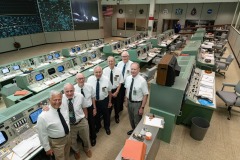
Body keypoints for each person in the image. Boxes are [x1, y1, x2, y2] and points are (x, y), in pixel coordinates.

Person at [37, 90, 71, 160]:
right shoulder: (43, 116)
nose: (57, 102)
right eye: (55, 100)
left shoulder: (63, 106)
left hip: (68, 137)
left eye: (59, 99)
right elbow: (42, 134)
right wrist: (47, 148)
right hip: (57, 142)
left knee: (67, 154)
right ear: (49, 100)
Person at [62, 83, 92, 159]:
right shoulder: (60, 99)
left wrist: (85, 118)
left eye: (71, 91)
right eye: (67, 91)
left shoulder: (80, 96)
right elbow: (53, 105)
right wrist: (45, 108)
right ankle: (76, 151)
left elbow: (84, 107)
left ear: (74, 90)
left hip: (81, 122)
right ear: (64, 91)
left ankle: (87, 149)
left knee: (86, 138)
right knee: (72, 141)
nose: (69, 93)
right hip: (70, 125)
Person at [87, 66, 112, 135]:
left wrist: (110, 101)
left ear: (102, 72)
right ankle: (98, 127)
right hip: (94, 101)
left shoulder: (106, 79)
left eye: (99, 72)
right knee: (96, 115)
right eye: (96, 72)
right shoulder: (89, 79)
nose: (98, 74)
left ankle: (107, 127)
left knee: (106, 115)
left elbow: (109, 91)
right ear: (93, 72)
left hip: (104, 100)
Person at [125, 63, 149, 135]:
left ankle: (138, 134)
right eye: (132, 69)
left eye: (135, 69)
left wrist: (142, 107)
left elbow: (145, 95)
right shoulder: (128, 78)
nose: (133, 71)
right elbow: (127, 90)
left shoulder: (142, 81)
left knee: (137, 120)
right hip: (129, 102)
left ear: (138, 70)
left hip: (137, 104)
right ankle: (133, 130)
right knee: (131, 119)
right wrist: (126, 101)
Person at [74, 73, 97, 147]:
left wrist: (94, 108)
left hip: (89, 108)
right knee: (83, 127)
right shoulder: (74, 89)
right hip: (80, 110)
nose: (81, 80)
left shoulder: (89, 86)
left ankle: (93, 137)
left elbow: (93, 97)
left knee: (92, 124)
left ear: (85, 78)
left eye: (82, 78)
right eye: (79, 79)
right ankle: (85, 140)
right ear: (76, 80)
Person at [103, 56, 124, 123]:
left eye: (112, 61)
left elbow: (120, 82)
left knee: (117, 105)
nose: (110, 62)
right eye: (109, 61)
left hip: (116, 90)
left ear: (114, 62)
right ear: (107, 62)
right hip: (108, 91)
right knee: (109, 106)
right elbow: (103, 83)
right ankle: (108, 118)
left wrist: (117, 92)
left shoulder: (119, 70)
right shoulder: (104, 71)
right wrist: (108, 93)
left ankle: (116, 116)